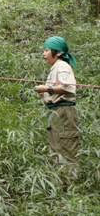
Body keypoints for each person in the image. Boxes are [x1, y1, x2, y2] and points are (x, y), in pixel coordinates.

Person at [34, 36, 79, 171]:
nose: (43, 54)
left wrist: (46, 88)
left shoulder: (62, 66)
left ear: (58, 52)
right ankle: (59, 186)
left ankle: (71, 186)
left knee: (66, 152)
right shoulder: (55, 67)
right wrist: (47, 93)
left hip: (64, 112)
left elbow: (68, 87)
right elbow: (58, 89)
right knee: (56, 152)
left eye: (47, 50)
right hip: (56, 112)